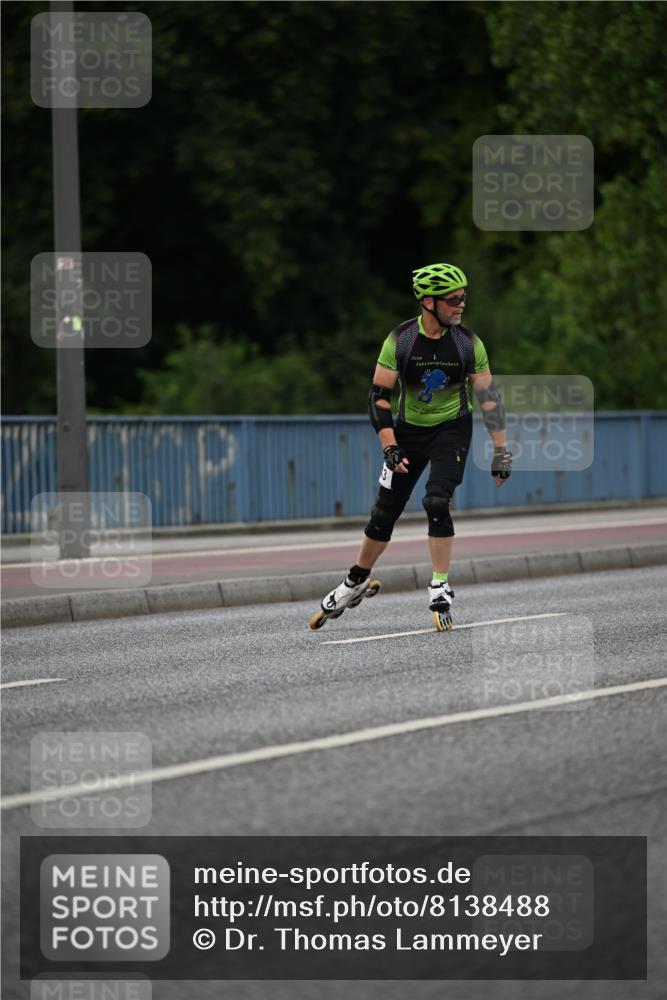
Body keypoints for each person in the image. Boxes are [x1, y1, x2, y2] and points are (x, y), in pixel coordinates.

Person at [311, 262, 512, 631]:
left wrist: (501, 450)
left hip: (452, 429)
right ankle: (355, 580)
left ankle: (440, 584)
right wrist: (390, 447)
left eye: (464, 298)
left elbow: (488, 397)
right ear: (428, 302)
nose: (461, 305)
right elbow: (378, 397)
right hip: (408, 432)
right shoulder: (401, 341)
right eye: (453, 299)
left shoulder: (468, 343)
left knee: (436, 500)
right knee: (384, 511)